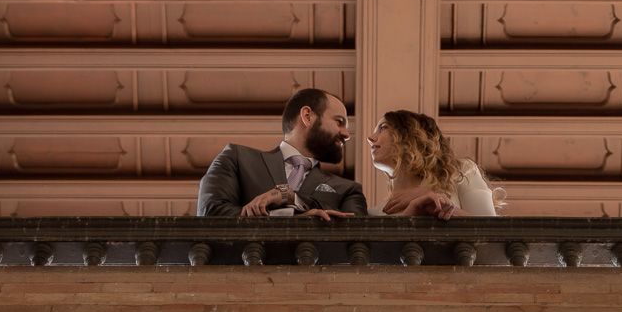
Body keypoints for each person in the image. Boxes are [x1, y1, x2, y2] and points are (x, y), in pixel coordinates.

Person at [196, 87, 368, 220]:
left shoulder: (349, 190)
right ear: (307, 116)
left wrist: (291, 197)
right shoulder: (236, 158)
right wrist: (289, 220)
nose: (346, 134)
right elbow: (210, 214)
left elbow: (358, 231)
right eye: (339, 122)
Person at [366, 109, 497, 219]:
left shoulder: (462, 172)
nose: (370, 138)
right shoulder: (375, 214)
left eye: (383, 128)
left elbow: (494, 233)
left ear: (412, 135)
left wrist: (426, 196)